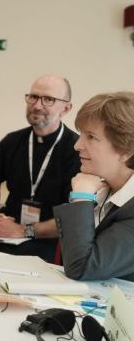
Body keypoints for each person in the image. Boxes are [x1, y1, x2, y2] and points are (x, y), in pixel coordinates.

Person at [0, 75, 80, 262]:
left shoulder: (76, 150)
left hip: (49, 240)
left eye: (48, 99)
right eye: (33, 97)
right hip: (6, 230)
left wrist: (25, 231)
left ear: (66, 108)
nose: (37, 105)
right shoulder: (13, 141)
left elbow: (74, 217)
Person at [54, 92, 134, 281]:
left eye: (90, 137)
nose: (77, 145)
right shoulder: (102, 188)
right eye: (81, 134)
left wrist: (81, 198)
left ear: (126, 150)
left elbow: (81, 268)